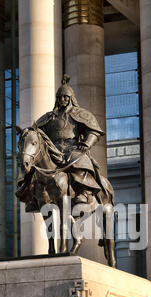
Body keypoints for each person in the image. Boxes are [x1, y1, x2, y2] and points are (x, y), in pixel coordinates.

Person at [36, 74, 108, 205]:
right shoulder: (48, 117)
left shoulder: (80, 114)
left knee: (81, 160)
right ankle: (32, 194)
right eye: (60, 97)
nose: (62, 99)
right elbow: (36, 131)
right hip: (52, 149)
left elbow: (93, 131)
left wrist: (86, 143)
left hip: (73, 148)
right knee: (36, 165)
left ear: (70, 98)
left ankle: (84, 192)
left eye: (65, 97)